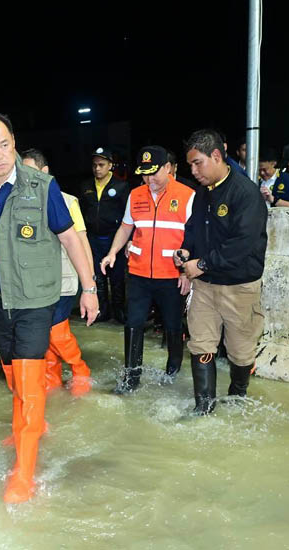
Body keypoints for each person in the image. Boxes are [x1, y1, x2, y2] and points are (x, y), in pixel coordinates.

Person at [0, 112, 98, 504]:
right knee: (15, 380)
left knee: (29, 387)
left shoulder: (41, 186)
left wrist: (89, 288)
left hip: (35, 302)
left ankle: (23, 473)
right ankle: (32, 423)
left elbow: (70, 239)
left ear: (14, 140)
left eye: (4, 145)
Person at [176, 129, 267, 415]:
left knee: (240, 352)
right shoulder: (203, 191)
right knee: (200, 343)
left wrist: (201, 264)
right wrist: (186, 251)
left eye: (197, 163)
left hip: (239, 286)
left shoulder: (245, 193)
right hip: (205, 285)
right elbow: (194, 227)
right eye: (190, 164)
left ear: (216, 156)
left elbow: (242, 243)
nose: (193, 170)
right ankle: (203, 409)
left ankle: (237, 398)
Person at [101, 145, 195, 393]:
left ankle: (173, 372)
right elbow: (125, 228)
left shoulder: (187, 195)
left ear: (168, 168)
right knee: (133, 323)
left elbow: (194, 237)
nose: (148, 179)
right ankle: (131, 379)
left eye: (154, 173)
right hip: (139, 274)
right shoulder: (136, 195)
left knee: (173, 324)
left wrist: (186, 273)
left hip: (171, 276)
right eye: (144, 174)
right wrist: (112, 252)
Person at [21, 147, 94, 397]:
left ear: (44, 172)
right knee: (43, 333)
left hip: (63, 278)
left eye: (30, 171)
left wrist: (90, 284)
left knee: (57, 331)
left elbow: (81, 242)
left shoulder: (67, 201)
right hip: (35, 282)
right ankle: (51, 378)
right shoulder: (18, 202)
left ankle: (79, 369)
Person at [78, 147, 130, 323]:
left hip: (114, 237)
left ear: (110, 165)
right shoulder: (86, 186)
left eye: (101, 165)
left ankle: (119, 310)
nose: (97, 169)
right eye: (94, 165)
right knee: (97, 277)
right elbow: (82, 211)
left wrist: (127, 241)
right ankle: (102, 310)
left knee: (116, 278)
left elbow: (127, 216)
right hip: (93, 238)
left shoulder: (121, 186)